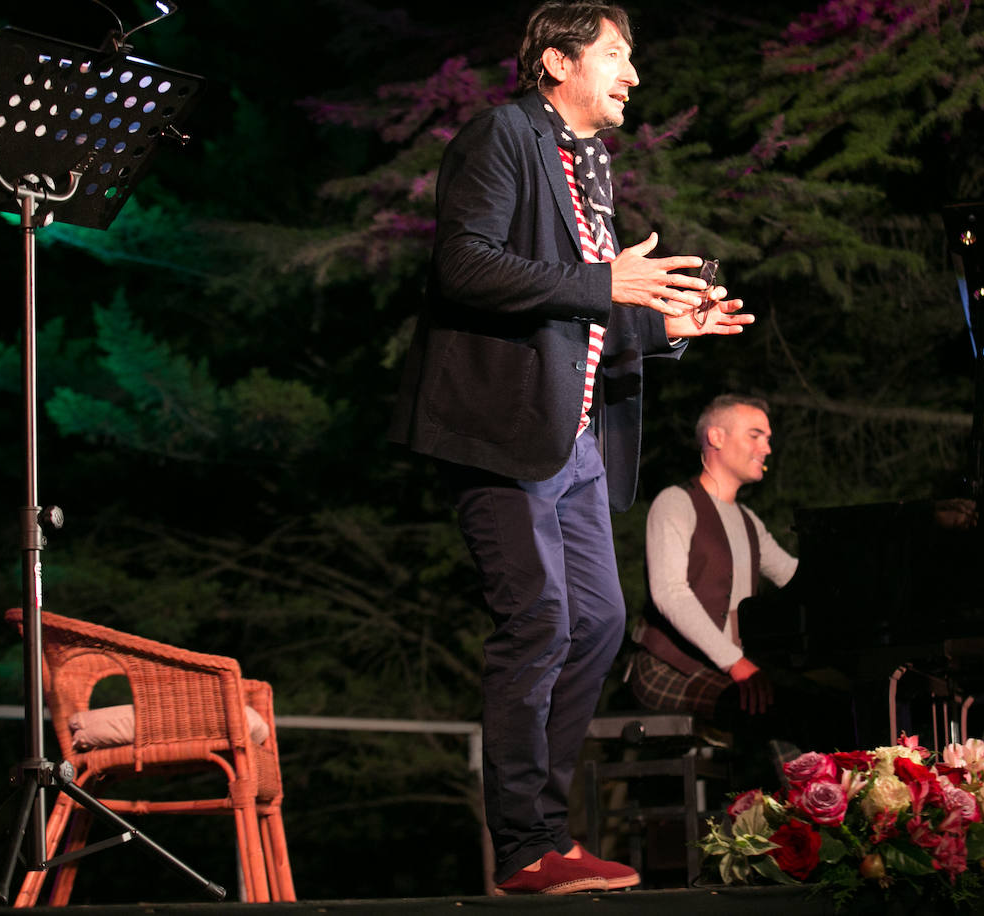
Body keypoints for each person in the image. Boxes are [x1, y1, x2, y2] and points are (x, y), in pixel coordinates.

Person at [388, 2, 753, 896]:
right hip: (505, 430)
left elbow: (582, 308)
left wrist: (669, 325)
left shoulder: (588, 163)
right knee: (541, 620)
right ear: (557, 61)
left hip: (576, 440)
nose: (633, 77)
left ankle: (549, 839)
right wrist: (606, 279)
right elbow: (465, 267)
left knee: (595, 623)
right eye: (618, 58)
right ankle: (523, 851)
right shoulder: (502, 135)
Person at [630, 395, 796, 728]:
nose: (766, 449)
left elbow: (795, 576)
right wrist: (737, 663)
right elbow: (670, 594)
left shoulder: (750, 521)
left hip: (724, 668)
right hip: (668, 666)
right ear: (716, 437)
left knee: (805, 708)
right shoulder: (675, 503)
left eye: (767, 438)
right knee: (772, 713)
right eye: (755, 435)